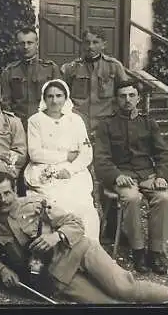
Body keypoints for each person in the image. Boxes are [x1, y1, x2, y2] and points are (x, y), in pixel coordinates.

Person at [0, 171, 168, 304]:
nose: (3, 200)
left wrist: (56, 236)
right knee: (108, 304)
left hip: (78, 250)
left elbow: (75, 223)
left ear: (15, 191)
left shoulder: (34, 204)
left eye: (7, 193)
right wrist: (2, 271)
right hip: (56, 274)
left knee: (125, 289)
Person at [94, 80, 168, 275]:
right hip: (122, 175)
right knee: (132, 198)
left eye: (131, 95)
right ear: (116, 99)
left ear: (138, 98)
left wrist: (161, 176)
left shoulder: (148, 122)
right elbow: (101, 158)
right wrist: (116, 175)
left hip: (147, 174)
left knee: (163, 197)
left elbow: (163, 153)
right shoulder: (107, 124)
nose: (127, 100)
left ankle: (156, 251)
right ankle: (138, 251)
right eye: (123, 96)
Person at [23, 79, 99, 241]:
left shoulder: (75, 120)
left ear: (66, 98)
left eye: (59, 96)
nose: (54, 100)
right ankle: (54, 248)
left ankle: (87, 249)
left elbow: (86, 152)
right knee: (54, 205)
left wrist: (70, 170)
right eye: (50, 96)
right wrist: (65, 156)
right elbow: (35, 153)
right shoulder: (35, 121)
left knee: (83, 204)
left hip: (73, 171)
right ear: (44, 98)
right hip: (43, 169)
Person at [61, 26, 129, 133]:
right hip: (78, 123)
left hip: (106, 123)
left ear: (103, 45)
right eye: (87, 42)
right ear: (82, 44)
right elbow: (63, 96)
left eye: (95, 42)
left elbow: (125, 93)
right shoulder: (71, 68)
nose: (90, 47)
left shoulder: (114, 66)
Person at [0, 27, 60, 128]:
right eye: (22, 43)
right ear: (17, 45)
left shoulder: (50, 69)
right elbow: (5, 103)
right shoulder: (10, 71)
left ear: (37, 44)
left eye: (30, 42)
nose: (25, 47)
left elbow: (59, 100)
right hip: (19, 125)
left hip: (45, 124)